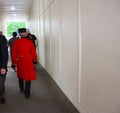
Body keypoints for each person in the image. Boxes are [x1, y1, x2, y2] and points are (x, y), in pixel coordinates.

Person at [12, 28, 38, 99]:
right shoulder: (30, 42)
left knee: (20, 75)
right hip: (28, 61)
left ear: (19, 34)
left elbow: (13, 54)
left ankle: (21, 89)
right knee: (28, 76)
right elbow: (33, 52)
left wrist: (13, 63)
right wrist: (35, 60)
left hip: (20, 61)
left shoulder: (16, 43)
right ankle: (27, 94)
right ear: (26, 33)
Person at [0, 31, 8, 104]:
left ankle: (1, 96)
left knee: (1, 84)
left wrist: (3, 67)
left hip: (0, 66)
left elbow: (4, 53)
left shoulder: (1, 38)